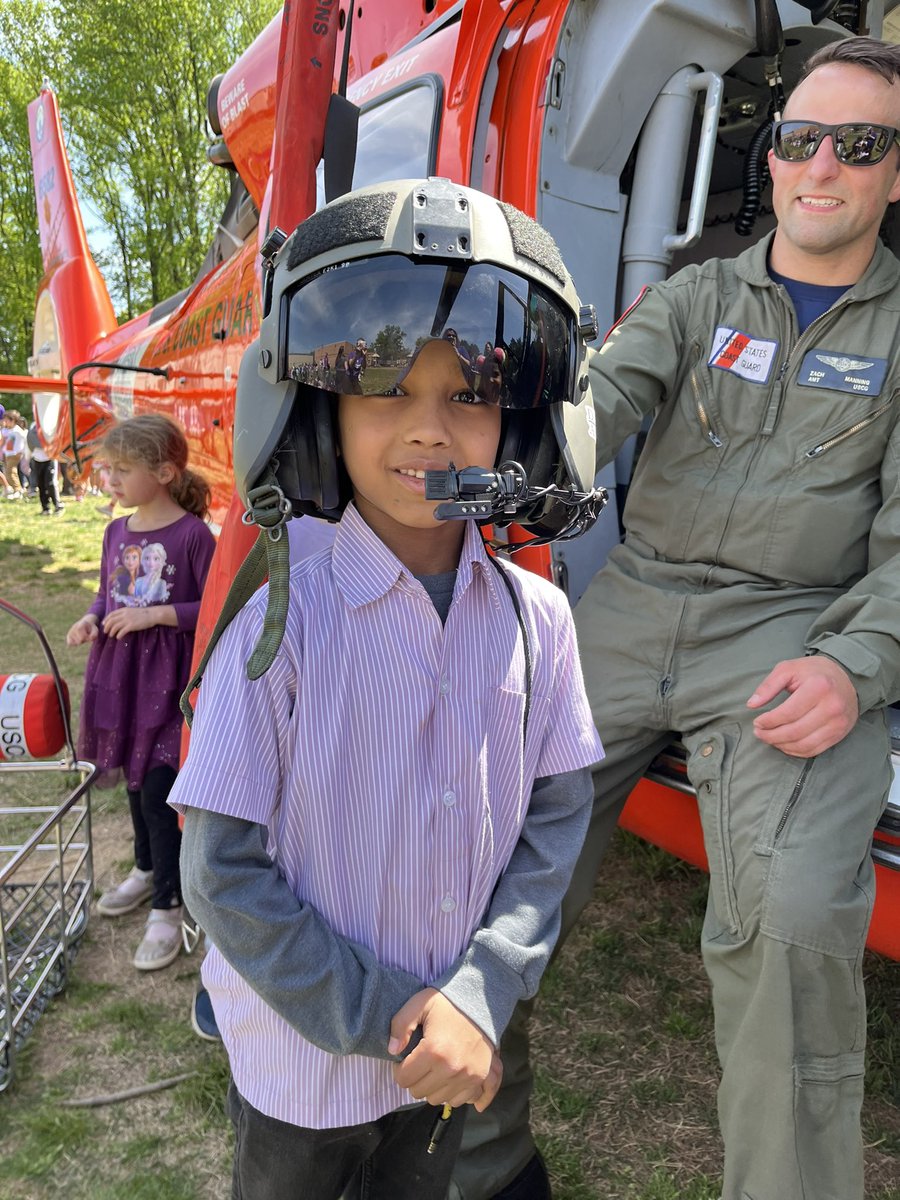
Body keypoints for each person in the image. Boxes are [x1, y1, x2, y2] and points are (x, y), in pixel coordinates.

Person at [455, 36, 900, 1200]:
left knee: (796, 918)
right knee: (472, 849)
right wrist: (523, 471)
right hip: (633, 605)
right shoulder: (703, 293)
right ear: (774, 157)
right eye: (801, 140)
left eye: (860, 146)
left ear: (894, 175)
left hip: (795, 636)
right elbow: (602, 400)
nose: (823, 167)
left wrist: (858, 665)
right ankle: (473, 1162)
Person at [168, 177, 604, 1200]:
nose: (428, 431)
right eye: (386, 388)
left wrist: (479, 992)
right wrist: (398, 1018)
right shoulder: (283, 621)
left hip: (450, 1064)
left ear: (524, 422)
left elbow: (553, 826)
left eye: (468, 395)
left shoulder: (541, 625)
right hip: (303, 1072)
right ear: (319, 408)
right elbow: (222, 870)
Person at [66, 414, 216, 971]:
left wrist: (155, 613)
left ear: (165, 471)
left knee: (158, 790)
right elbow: (108, 594)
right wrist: (89, 618)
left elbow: (216, 606)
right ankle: (146, 867)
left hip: (168, 681)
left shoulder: (192, 535)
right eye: (109, 468)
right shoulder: (115, 531)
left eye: (122, 469)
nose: (110, 478)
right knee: (132, 782)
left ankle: (168, 905)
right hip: (120, 676)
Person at [28, 423, 64, 515]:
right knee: (41, 484)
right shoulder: (34, 426)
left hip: (49, 459)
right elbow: (31, 440)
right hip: (37, 459)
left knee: (50, 483)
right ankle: (45, 508)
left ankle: (58, 505)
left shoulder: (50, 425)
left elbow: (53, 440)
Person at [2, 411, 26, 498]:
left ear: (13, 420)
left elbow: (23, 442)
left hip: (14, 454)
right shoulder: (8, 430)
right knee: (8, 473)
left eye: (7, 420)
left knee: (11, 472)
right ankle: (15, 490)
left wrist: (20, 452)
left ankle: (18, 490)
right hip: (8, 454)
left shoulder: (17, 431)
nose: (5, 422)